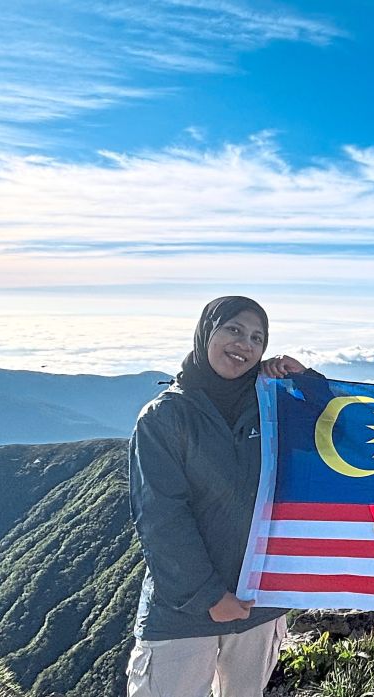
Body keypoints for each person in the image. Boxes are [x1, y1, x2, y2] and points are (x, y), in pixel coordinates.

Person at [125, 296, 308, 697]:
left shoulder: (273, 409)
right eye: (233, 329)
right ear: (206, 331)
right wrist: (208, 596)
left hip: (258, 605)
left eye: (257, 338)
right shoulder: (164, 417)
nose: (244, 343)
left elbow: (334, 451)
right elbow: (162, 518)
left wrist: (306, 384)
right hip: (183, 613)